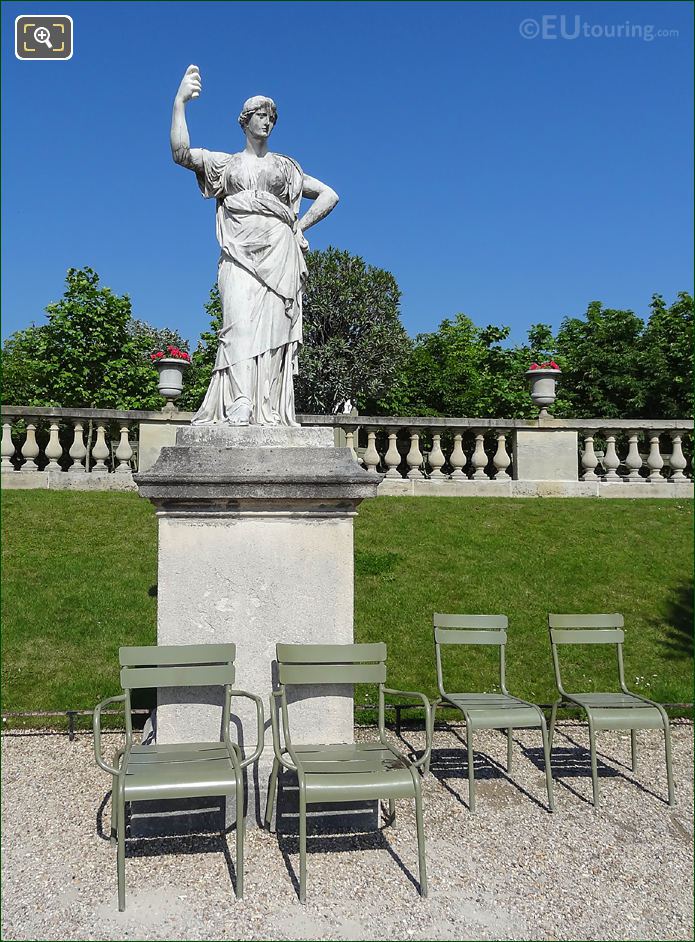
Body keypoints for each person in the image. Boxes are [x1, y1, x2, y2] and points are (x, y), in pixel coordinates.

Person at [170, 64, 339, 426]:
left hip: (280, 253)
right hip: (237, 254)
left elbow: (329, 195)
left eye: (272, 118)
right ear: (244, 121)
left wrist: (299, 227)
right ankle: (240, 401)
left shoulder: (285, 167)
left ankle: (268, 406)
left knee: (274, 332)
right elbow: (181, 153)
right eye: (261, 116)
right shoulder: (225, 164)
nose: (267, 122)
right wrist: (180, 103)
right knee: (237, 324)